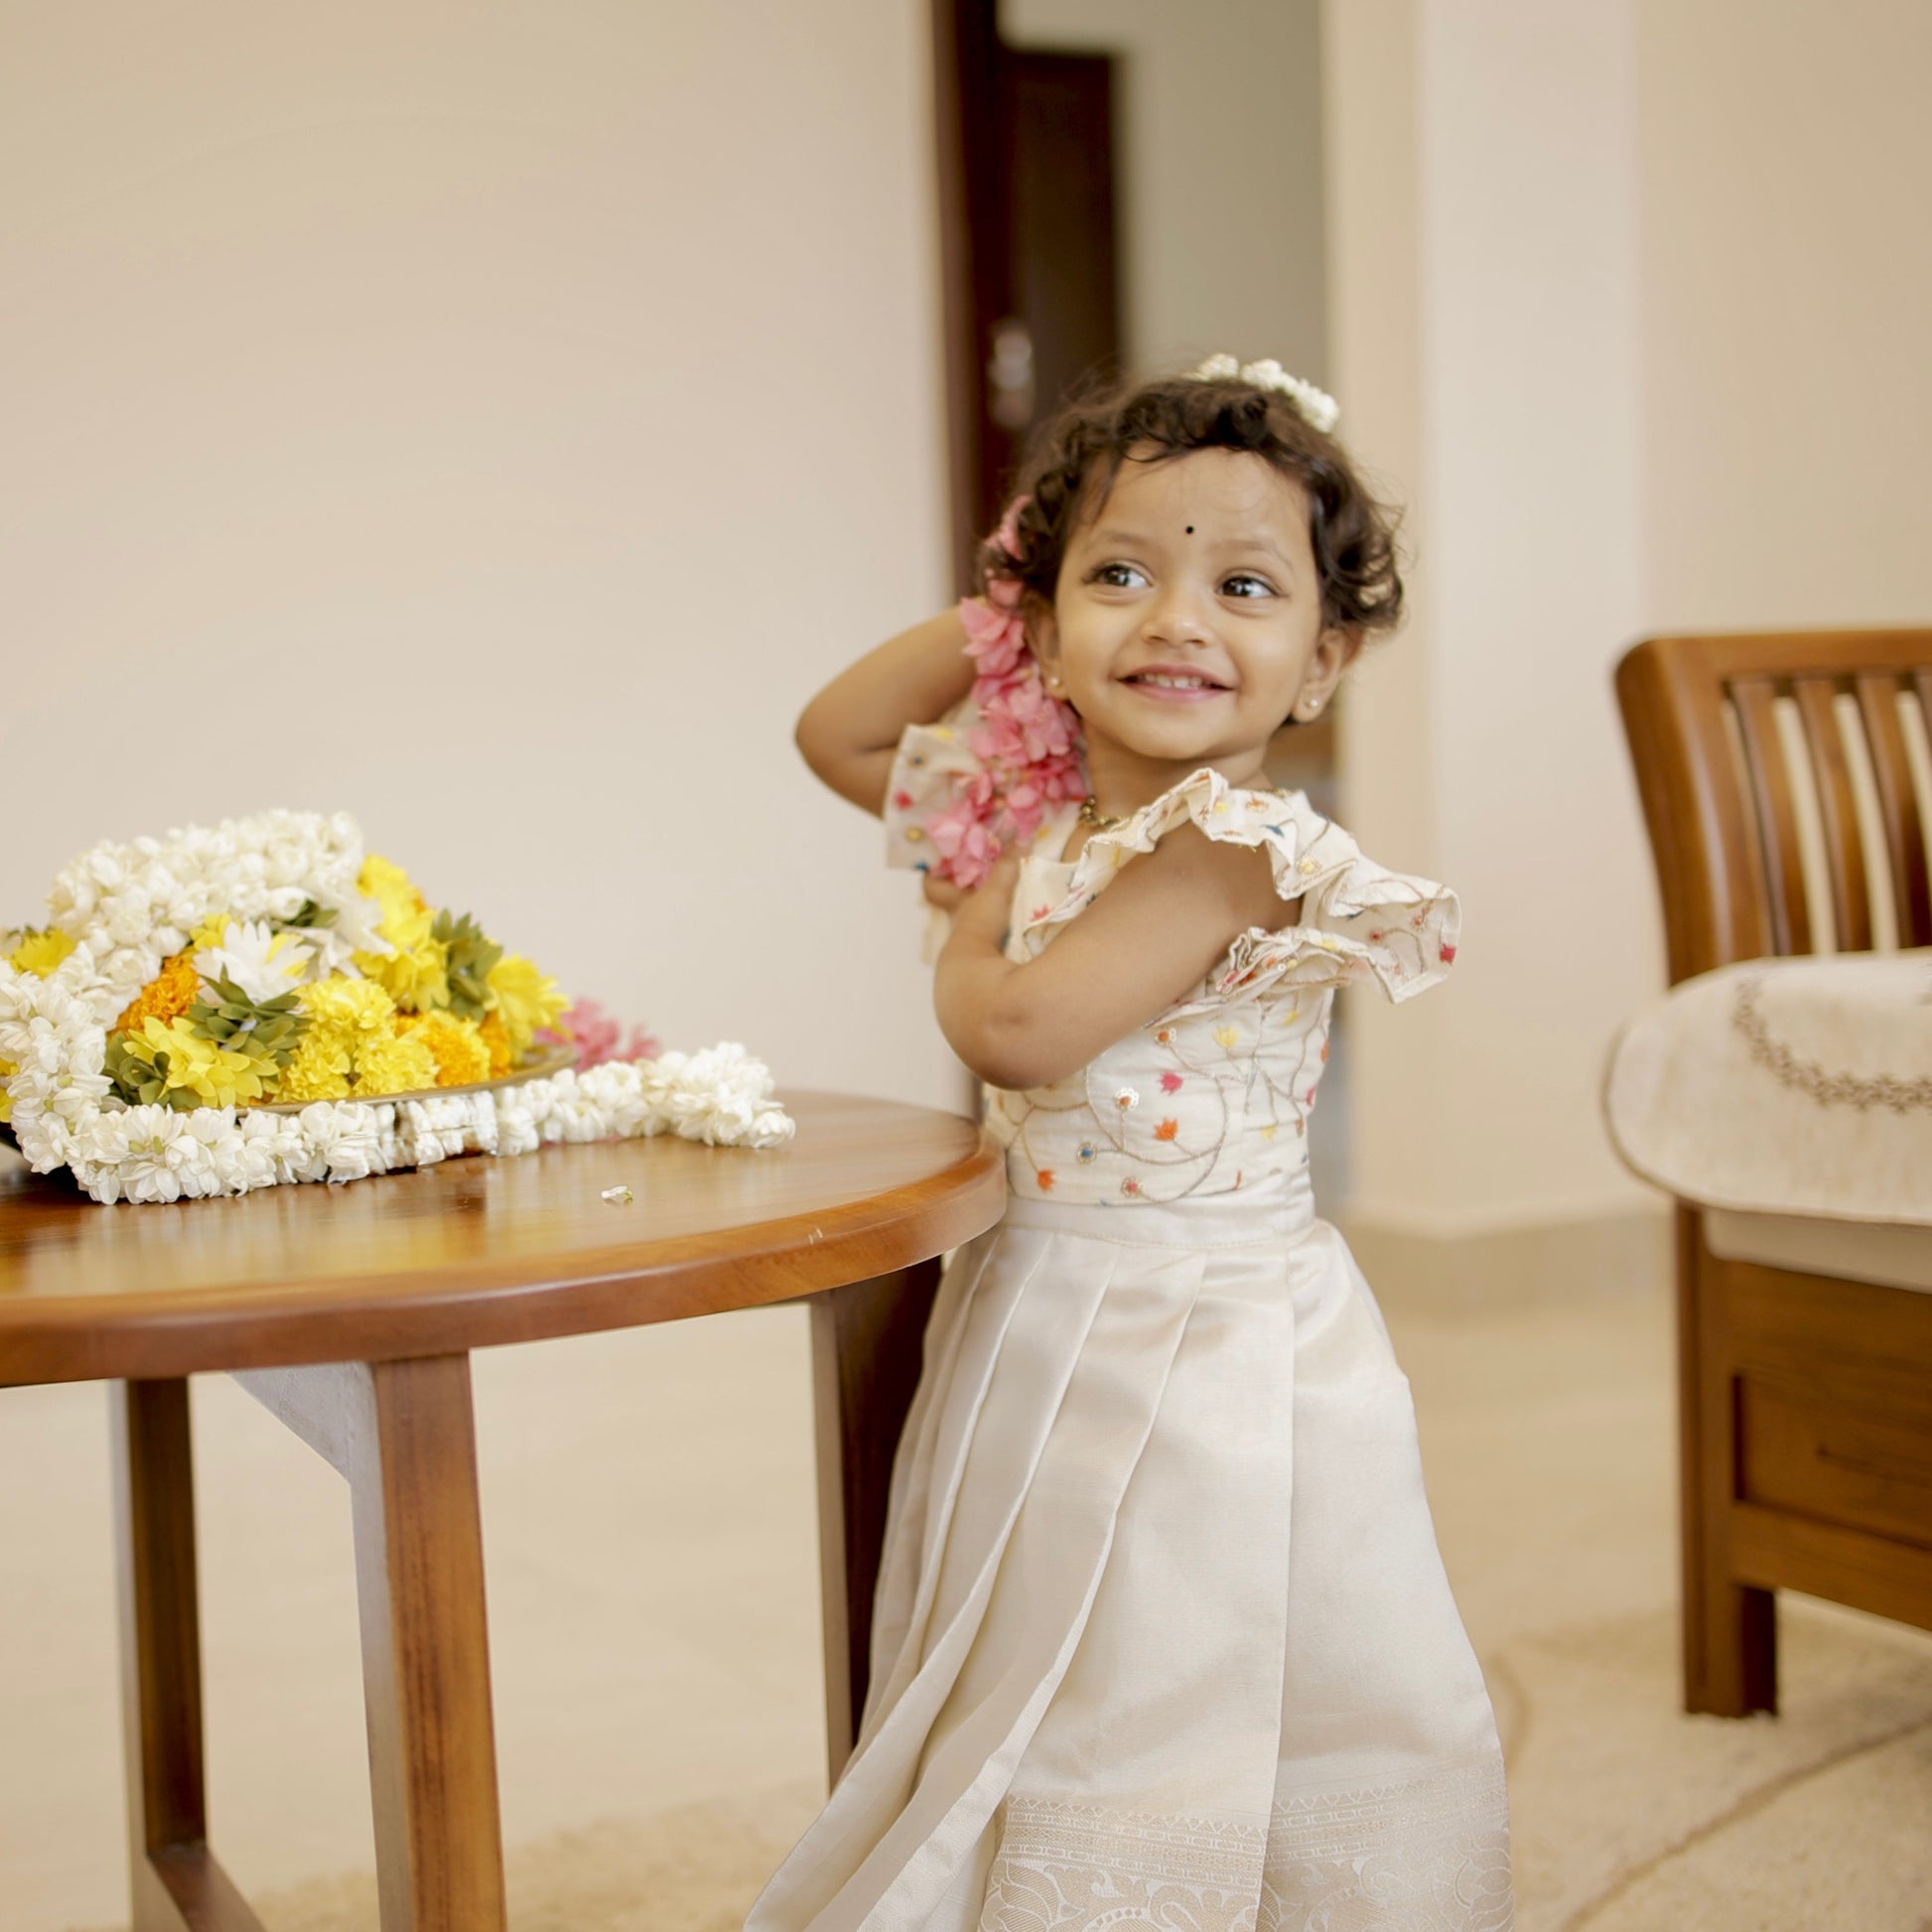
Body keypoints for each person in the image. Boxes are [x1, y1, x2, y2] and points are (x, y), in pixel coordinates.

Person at [751, 358, 1513, 1931]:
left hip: (1203, 1345)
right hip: (1044, 1307)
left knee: (1183, 1644)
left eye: (1243, 584)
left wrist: (968, 920)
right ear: (1042, 630)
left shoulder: (1235, 851)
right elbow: (835, 732)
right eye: (1122, 574)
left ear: (1322, 659)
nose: (1176, 618)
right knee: (1047, 1630)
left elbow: (1013, 1028)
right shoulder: (1039, 822)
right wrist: (1011, 594)